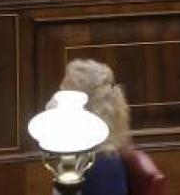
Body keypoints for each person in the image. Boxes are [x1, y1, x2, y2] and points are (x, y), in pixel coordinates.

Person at [55, 60, 131, 195]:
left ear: (87, 108)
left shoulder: (104, 165)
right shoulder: (81, 154)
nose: (54, 104)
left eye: (62, 96)